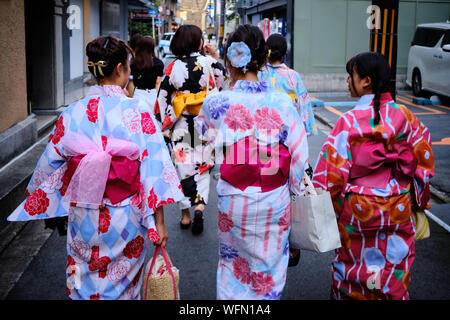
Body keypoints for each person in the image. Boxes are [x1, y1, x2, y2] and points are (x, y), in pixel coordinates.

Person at [7, 35, 184, 300]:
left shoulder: (72, 112)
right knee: (126, 286)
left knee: (82, 281)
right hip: (125, 218)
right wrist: (158, 222)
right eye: (128, 66)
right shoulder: (138, 110)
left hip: (84, 216)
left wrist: (38, 194)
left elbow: (49, 165)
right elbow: (153, 170)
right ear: (119, 70)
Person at [195, 24, 309, 299]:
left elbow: (202, 147)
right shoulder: (282, 103)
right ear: (262, 58)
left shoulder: (216, 102)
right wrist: (300, 203)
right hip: (274, 199)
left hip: (234, 198)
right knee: (269, 272)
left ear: (230, 60)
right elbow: (299, 161)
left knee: (233, 266)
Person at [312, 52, 435, 300]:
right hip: (398, 207)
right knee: (392, 266)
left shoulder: (348, 121)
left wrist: (334, 214)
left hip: (358, 210)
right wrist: (415, 202)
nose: (348, 81)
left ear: (366, 81)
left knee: (353, 266)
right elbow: (424, 166)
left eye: (351, 76)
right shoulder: (407, 117)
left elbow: (329, 178)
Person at [155, 24, 225, 235]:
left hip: (182, 125)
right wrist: (215, 57)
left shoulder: (173, 66)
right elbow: (221, 85)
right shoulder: (209, 63)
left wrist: (163, 121)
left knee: (184, 170)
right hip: (204, 125)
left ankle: (185, 215)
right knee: (203, 168)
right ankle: (200, 207)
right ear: (198, 42)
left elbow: (163, 97)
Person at [258, 33, 318, 267]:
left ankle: (268, 242)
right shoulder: (293, 77)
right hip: (289, 144)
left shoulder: (260, 75)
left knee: (266, 190)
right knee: (293, 194)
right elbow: (304, 113)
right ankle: (291, 245)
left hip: (264, 144)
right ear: (284, 54)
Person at [258, 33, 318, 136]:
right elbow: (303, 104)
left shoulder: (258, 74)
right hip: (288, 133)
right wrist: (307, 128)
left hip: (262, 132)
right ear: (285, 53)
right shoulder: (293, 76)